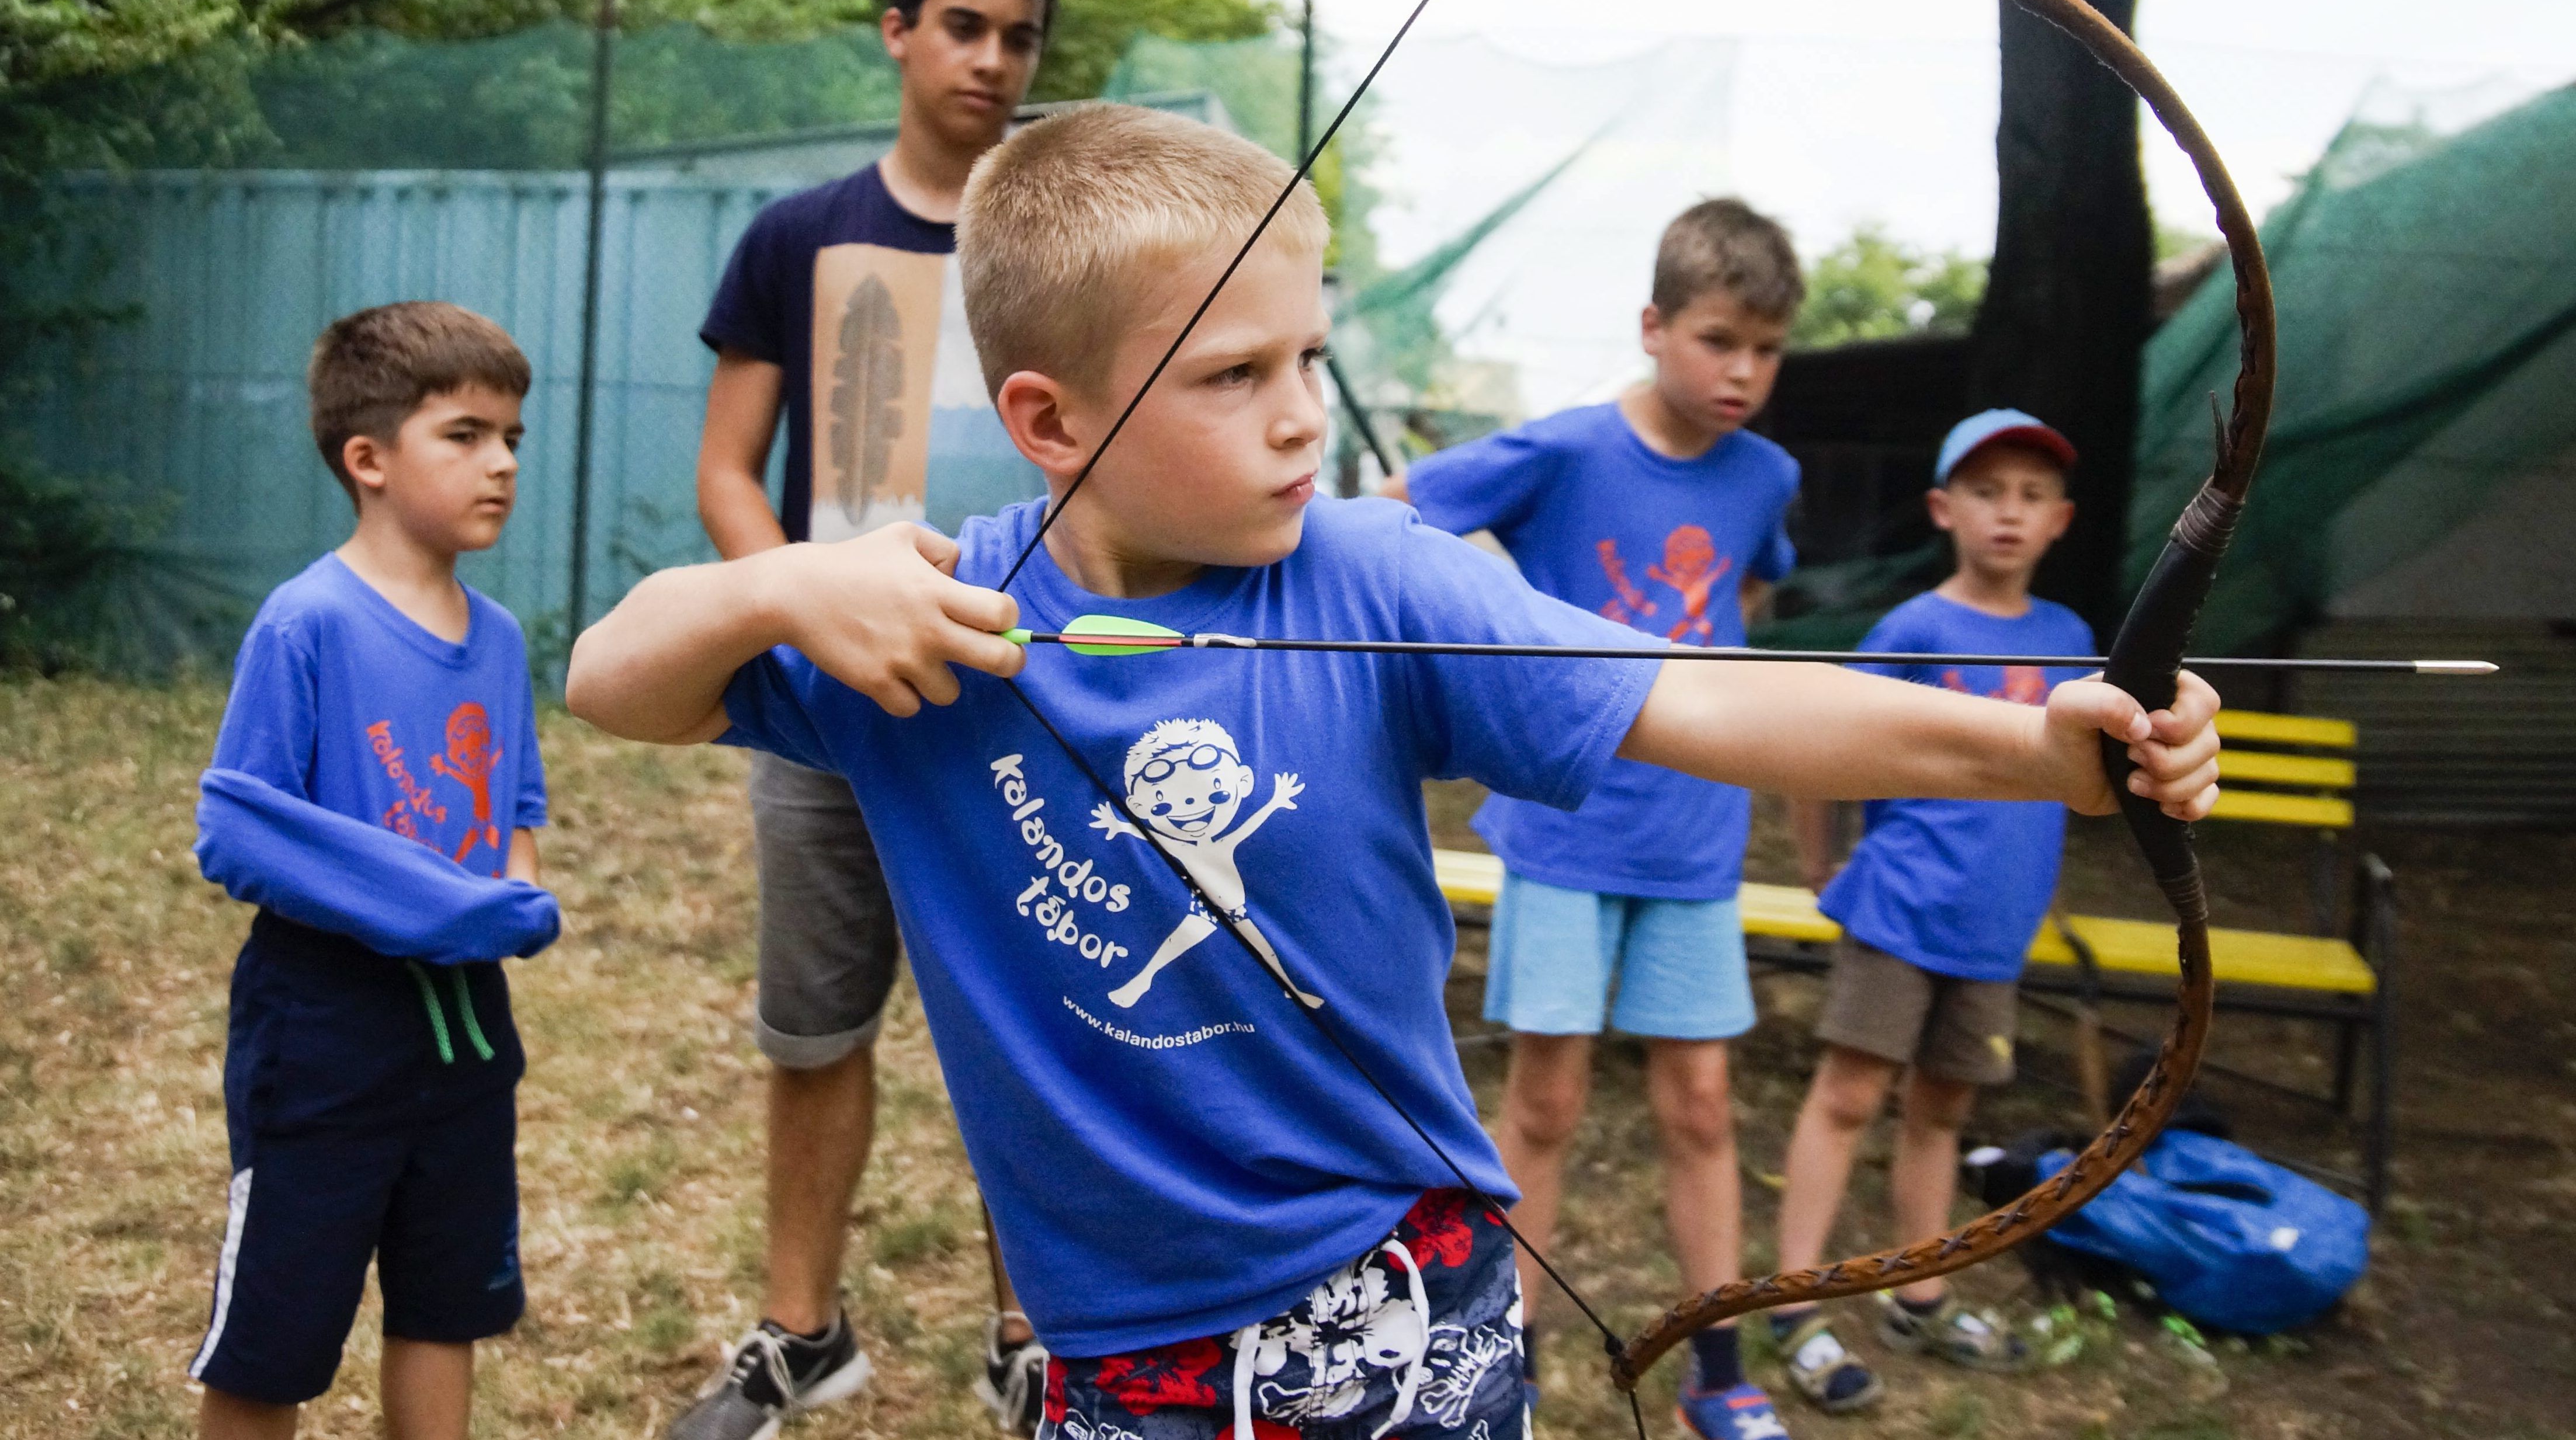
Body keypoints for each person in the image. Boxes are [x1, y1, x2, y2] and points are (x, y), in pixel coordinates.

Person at [566, 105, 2223, 1440]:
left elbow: (1698, 698)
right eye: (1231, 376)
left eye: (1306, 356)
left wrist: (2038, 750)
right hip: (1106, 1348)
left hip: (1396, 1287)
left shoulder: (1373, 573)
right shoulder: (926, 619)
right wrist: (777, 580)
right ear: (1048, 417)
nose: (1300, 418)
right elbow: (611, 683)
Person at [682, 0, 1058, 1439]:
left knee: (1033, 1038)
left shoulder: (1059, 241)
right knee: (812, 1029)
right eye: (962, 24)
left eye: (1020, 35)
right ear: (898, 29)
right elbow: (725, 472)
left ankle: (1034, 1336)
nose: (991, 59)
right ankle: (798, 1332)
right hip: (833, 717)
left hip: (1025, 714)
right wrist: (796, 604)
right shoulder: (797, 236)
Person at [1384, 198, 1806, 1435]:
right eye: (1719, 338)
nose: (1742, 371)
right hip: (1564, 830)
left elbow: (1750, 587)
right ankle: (1488, 1369)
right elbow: (1402, 508)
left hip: (1694, 844)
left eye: (1766, 349)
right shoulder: (1565, 449)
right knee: (1545, 1107)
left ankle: (1717, 1374)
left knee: (1701, 1106)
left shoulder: (1766, 473)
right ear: (1653, 326)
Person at [187, 302, 563, 1439]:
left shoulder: (497, 638)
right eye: (464, 434)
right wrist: (436, 904)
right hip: (322, 1040)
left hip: (463, 1045)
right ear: (369, 460)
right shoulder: (304, 624)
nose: (500, 461)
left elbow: (519, 821)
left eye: (513, 436)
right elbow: (236, 828)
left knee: (443, 1311)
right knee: (275, 1341)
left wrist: (513, 897)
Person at [1762, 409, 2095, 1411]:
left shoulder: (2071, 640)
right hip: (1901, 910)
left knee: (1943, 1109)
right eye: (1989, 491)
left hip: (1995, 930)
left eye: (2032, 496)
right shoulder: (1914, 628)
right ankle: (1794, 1303)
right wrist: (1823, 862)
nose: (2009, 512)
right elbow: (1821, 742)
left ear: (2061, 521)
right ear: (1945, 509)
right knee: (1850, 1096)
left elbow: (2079, 774)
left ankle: (1921, 1293)